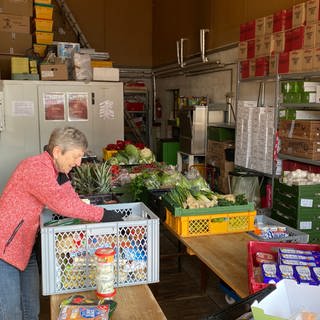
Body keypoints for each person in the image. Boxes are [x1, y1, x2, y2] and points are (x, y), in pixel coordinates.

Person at [0, 126, 122, 320]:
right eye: (75, 156)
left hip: (25, 247)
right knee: (11, 313)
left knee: (31, 310)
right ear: (57, 151)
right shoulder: (35, 168)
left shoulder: (56, 170)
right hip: (4, 250)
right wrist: (104, 215)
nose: (79, 163)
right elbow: (63, 204)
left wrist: (102, 213)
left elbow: (71, 199)